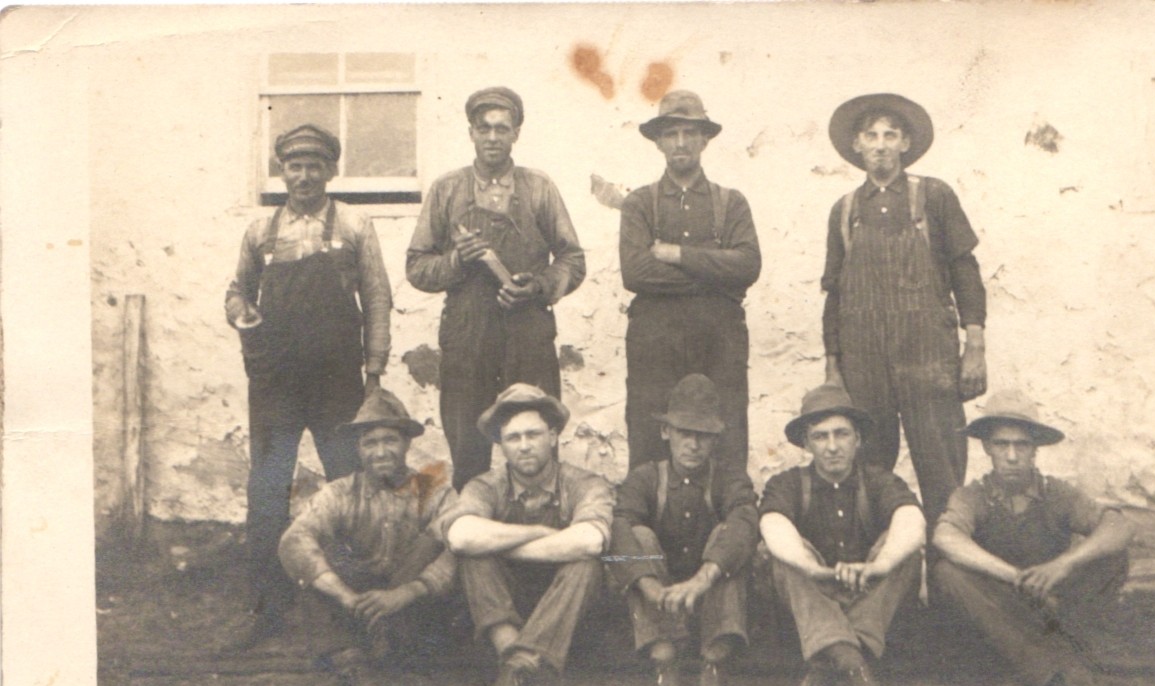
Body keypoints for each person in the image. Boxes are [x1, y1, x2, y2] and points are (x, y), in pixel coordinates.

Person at [223, 123, 392, 651]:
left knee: (349, 485)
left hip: (337, 379)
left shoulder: (355, 225)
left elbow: (378, 300)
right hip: (276, 380)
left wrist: (374, 375)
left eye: (314, 166)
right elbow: (236, 291)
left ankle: (357, 604)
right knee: (268, 488)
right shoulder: (261, 232)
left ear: (331, 171)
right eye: (294, 166)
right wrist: (240, 311)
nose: (303, 176)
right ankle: (268, 610)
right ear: (282, 172)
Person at [406, 87, 586, 491]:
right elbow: (416, 268)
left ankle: (541, 540)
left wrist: (538, 287)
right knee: (469, 455)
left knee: (536, 448)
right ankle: (477, 541)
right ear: (471, 132)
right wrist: (456, 260)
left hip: (529, 338)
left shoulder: (539, 188)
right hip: (467, 341)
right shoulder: (447, 190)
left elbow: (573, 260)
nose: (492, 137)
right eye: (484, 128)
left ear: (516, 133)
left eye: (502, 129)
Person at [820, 93, 987, 522]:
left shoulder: (933, 197)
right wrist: (833, 366)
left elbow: (965, 271)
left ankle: (950, 567)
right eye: (870, 135)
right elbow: (834, 295)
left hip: (927, 357)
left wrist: (975, 346)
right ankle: (884, 563)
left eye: (890, 135)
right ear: (856, 145)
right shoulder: (844, 212)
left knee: (942, 466)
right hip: (864, 360)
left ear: (905, 144)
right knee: (870, 469)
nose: (880, 144)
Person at [931, 389, 1134, 686]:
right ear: (987, 448)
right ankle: (1063, 671)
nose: (1012, 456)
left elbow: (1119, 526)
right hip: (1004, 608)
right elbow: (945, 535)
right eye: (1001, 445)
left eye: (1022, 445)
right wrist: (1014, 578)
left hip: (1056, 603)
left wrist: (1064, 565)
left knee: (1112, 556)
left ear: (1035, 449)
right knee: (947, 572)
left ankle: (1030, 676)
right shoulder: (973, 496)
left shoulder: (1058, 493)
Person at [278, 390, 458, 686]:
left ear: (406, 444)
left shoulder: (436, 491)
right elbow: (295, 540)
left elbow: (458, 551)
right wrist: (344, 595)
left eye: (389, 440)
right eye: (369, 443)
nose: (379, 452)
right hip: (357, 609)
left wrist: (408, 593)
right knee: (315, 563)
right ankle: (365, 681)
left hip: (414, 609)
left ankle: (347, 675)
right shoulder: (340, 492)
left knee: (435, 543)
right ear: (358, 449)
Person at [442, 384, 613, 686]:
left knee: (586, 565)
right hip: (505, 602)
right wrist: (538, 534)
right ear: (501, 445)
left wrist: (504, 543)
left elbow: (591, 540)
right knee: (474, 558)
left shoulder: (584, 483)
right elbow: (460, 537)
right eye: (513, 438)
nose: (524, 446)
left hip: (562, 608)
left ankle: (514, 668)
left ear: (552, 437)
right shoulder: (484, 486)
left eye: (533, 435)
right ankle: (527, 673)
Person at [759, 384, 927, 686]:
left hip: (868, 593)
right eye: (820, 437)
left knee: (905, 552)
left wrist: (878, 566)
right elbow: (772, 523)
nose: (832, 447)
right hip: (814, 593)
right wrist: (812, 569)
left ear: (858, 439)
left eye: (841, 434)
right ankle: (854, 667)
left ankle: (824, 665)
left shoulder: (879, 481)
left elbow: (912, 518)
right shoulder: (788, 483)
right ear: (806, 444)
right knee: (779, 555)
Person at [620, 90, 761, 475]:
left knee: (726, 431)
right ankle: (645, 526)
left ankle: (729, 521)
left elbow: (748, 265)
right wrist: (716, 274)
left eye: (689, 133)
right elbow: (635, 273)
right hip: (654, 339)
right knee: (650, 433)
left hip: (720, 338)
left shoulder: (731, 203)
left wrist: (678, 255)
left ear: (704, 139)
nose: (680, 143)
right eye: (671, 134)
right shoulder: (639, 204)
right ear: (659, 142)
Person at [607, 374, 760, 686]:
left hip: (709, 596)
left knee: (729, 534)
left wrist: (703, 579)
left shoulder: (728, 478)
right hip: (658, 599)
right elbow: (617, 530)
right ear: (666, 433)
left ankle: (714, 667)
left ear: (715, 440)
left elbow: (745, 521)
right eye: (684, 433)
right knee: (637, 536)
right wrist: (650, 586)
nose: (693, 445)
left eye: (703, 436)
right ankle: (664, 666)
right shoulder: (645, 478)